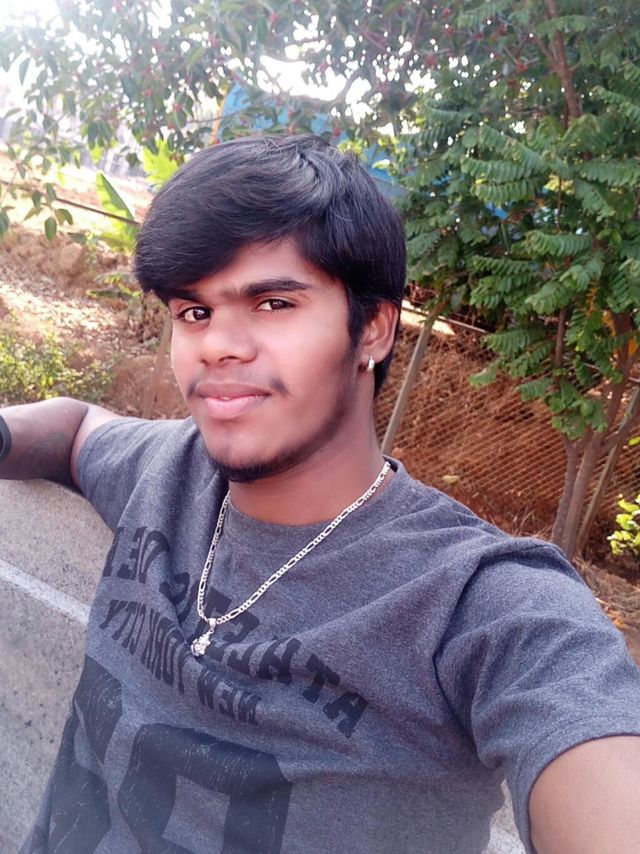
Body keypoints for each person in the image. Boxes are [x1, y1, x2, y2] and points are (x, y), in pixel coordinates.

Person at [1, 134, 640, 854]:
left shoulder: (477, 604)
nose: (217, 345)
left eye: (273, 303)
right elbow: (75, 428)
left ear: (373, 330)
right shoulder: (167, 468)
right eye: (193, 312)